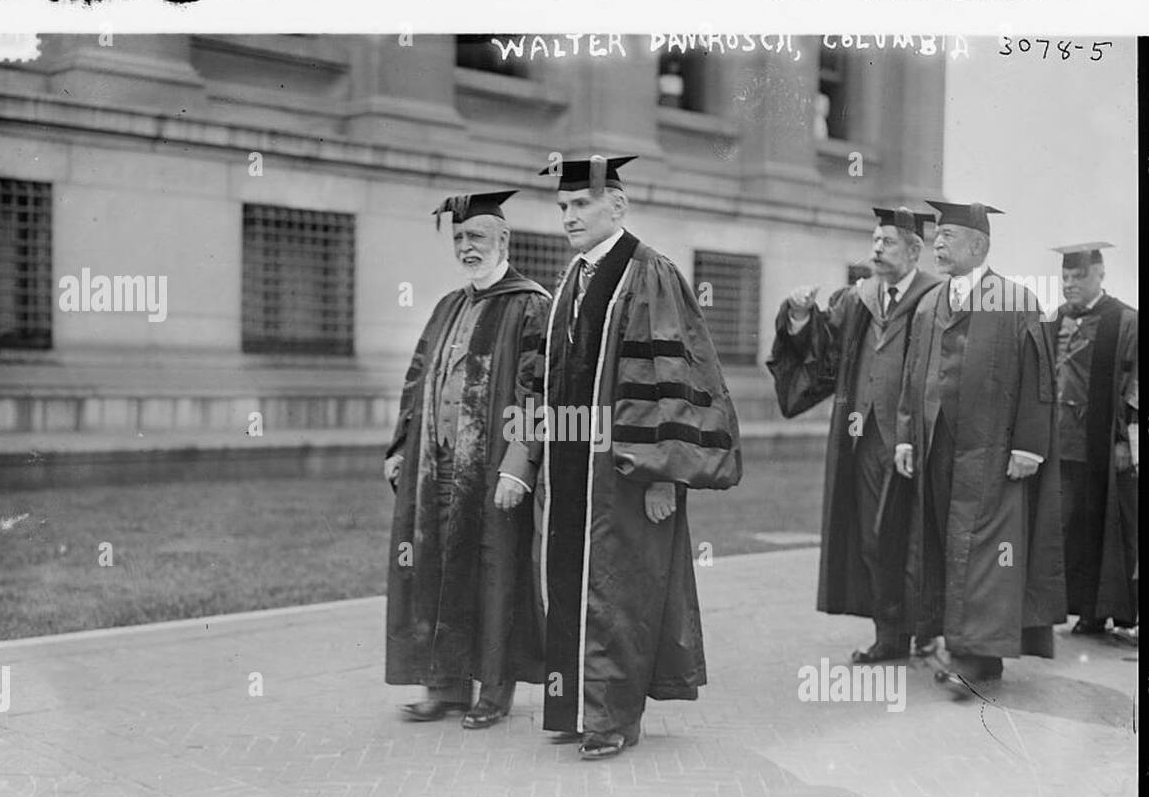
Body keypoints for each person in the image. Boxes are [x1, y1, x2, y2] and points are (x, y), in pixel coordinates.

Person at [536, 155, 742, 759]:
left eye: (581, 205)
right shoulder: (572, 277)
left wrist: (664, 476)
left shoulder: (649, 273)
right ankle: (578, 705)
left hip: (630, 472)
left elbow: (673, 375)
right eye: (563, 207)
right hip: (576, 466)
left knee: (621, 589)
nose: (569, 216)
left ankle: (613, 720)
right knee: (575, 582)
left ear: (617, 206)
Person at [384, 190, 552, 728]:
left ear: (503, 239)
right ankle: (445, 684)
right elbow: (417, 382)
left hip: (492, 469)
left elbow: (540, 392)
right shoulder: (449, 305)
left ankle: (495, 688)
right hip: (436, 466)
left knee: (496, 569)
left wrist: (519, 464)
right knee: (433, 565)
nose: (466, 246)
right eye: (459, 238)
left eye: (476, 236)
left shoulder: (530, 305)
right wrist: (399, 449)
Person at [894, 201, 1066, 692]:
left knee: (989, 551)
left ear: (979, 246)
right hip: (935, 446)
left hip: (992, 451)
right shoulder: (929, 303)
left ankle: (979, 656)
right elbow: (912, 377)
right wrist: (906, 435)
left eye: (948, 236)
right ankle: (960, 645)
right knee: (945, 545)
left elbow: (1038, 380)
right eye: (937, 237)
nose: (938, 244)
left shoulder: (1017, 301)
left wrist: (1029, 446)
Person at [767, 206, 942, 664]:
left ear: (914, 250)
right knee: (873, 537)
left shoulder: (936, 297)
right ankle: (889, 635)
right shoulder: (859, 297)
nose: (876, 248)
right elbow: (823, 352)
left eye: (886, 241)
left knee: (919, 539)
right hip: (864, 439)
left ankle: (926, 626)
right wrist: (801, 317)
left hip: (918, 442)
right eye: (874, 240)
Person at [1051, 243, 1139, 639]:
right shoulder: (1056, 319)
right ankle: (1070, 606)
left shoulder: (1125, 321)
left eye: (1079, 277)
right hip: (1060, 442)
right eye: (1066, 277)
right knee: (1064, 526)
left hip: (1102, 442)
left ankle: (1096, 611)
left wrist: (1124, 440)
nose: (1070, 284)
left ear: (1100, 274)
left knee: (1102, 528)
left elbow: (1137, 384)